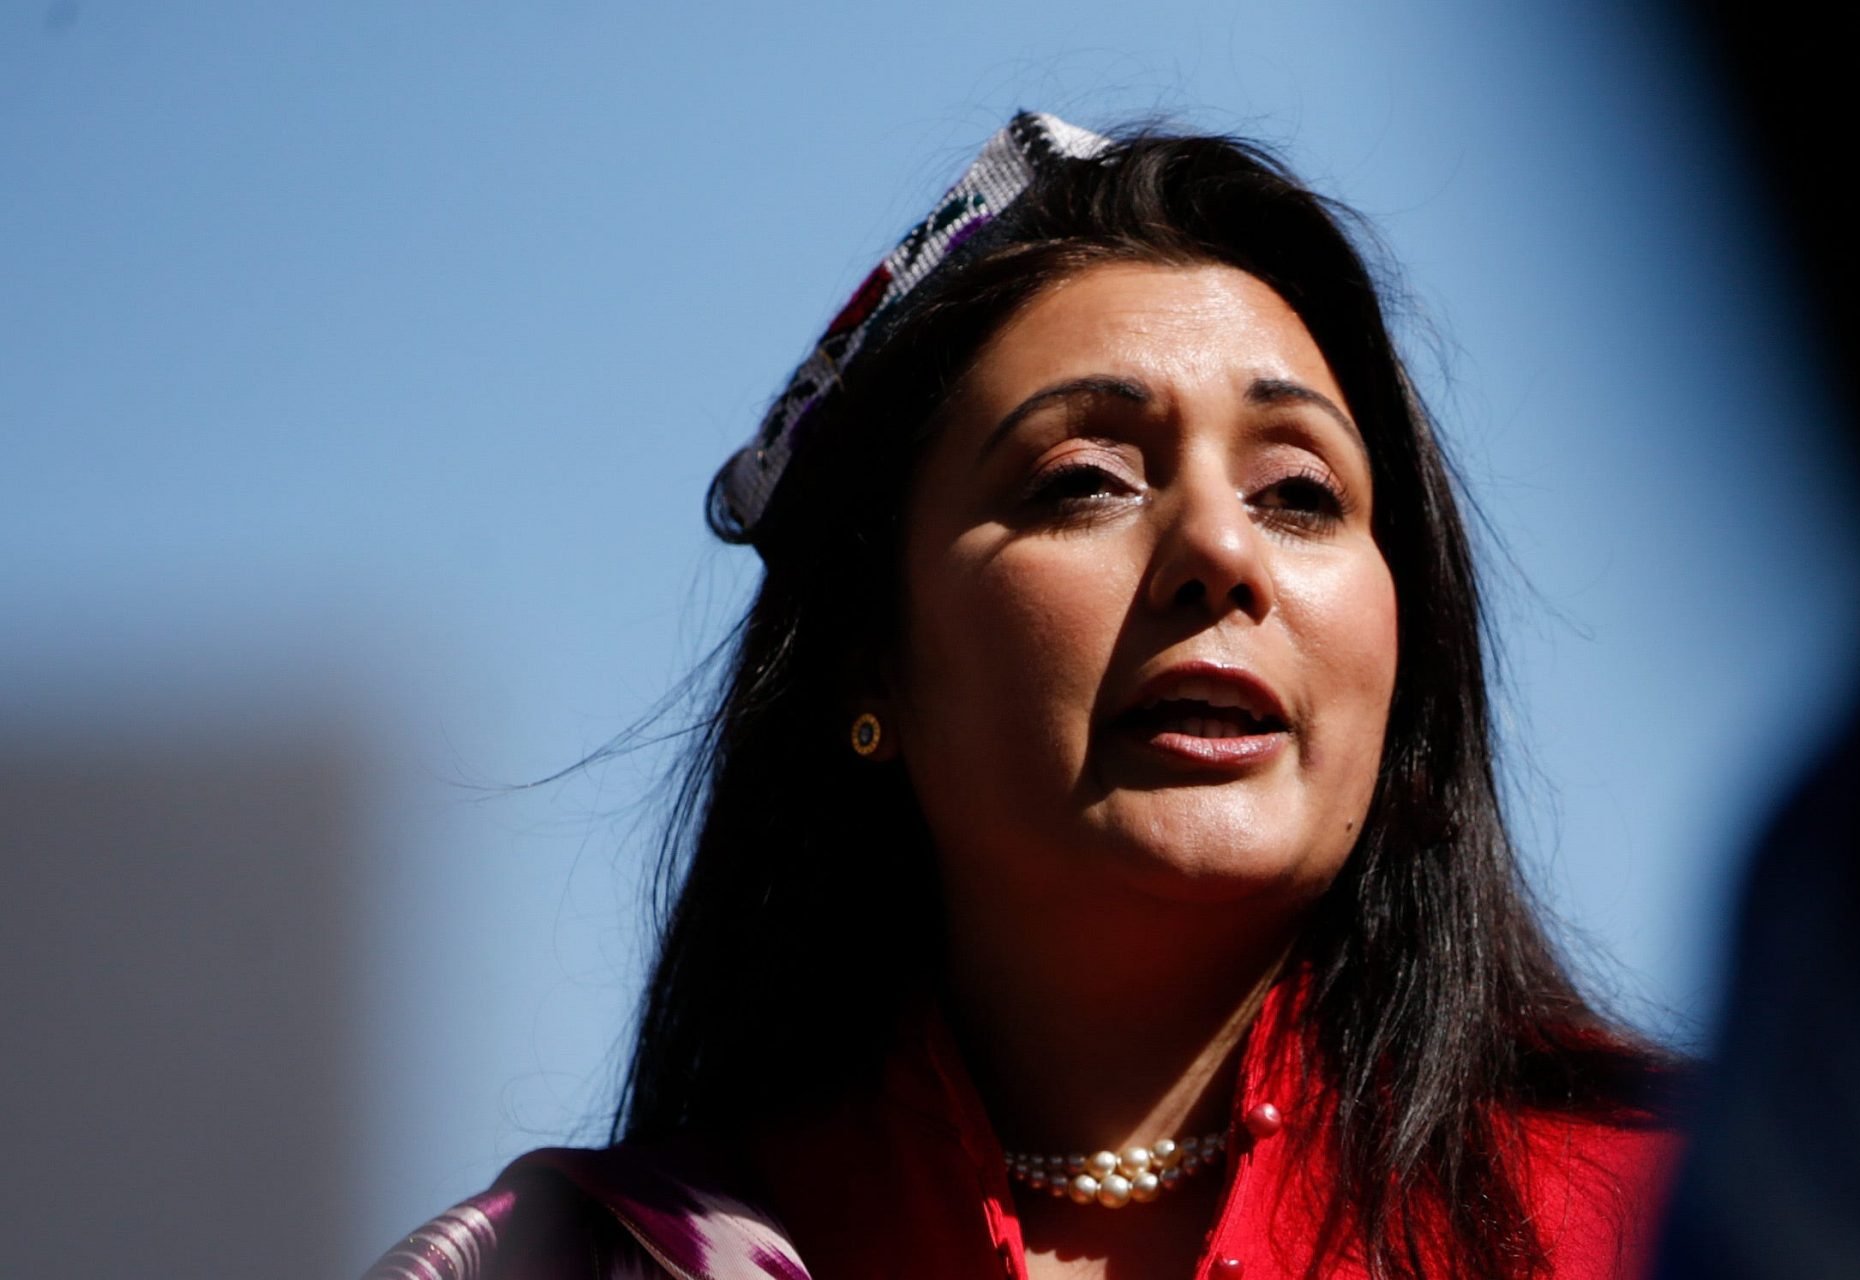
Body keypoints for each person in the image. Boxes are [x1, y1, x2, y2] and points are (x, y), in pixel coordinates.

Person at [367, 111, 1678, 1280]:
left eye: (1301, 493)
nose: (1221, 555)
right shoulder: (594, 1265)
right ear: (867, 659)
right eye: (1086, 479)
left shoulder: (1708, 1209)